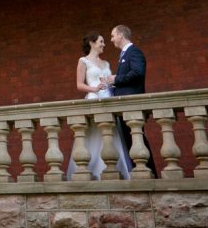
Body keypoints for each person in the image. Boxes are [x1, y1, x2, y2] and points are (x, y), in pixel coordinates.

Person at [65, 32, 131, 180]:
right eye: (101, 41)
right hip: (94, 98)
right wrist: (94, 89)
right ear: (92, 43)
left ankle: (115, 169)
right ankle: (94, 169)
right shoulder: (83, 61)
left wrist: (111, 82)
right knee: (94, 135)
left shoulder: (106, 63)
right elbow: (79, 84)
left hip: (108, 98)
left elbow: (109, 81)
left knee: (110, 133)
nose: (104, 44)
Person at [108, 24, 157, 178]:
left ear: (121, 35)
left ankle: (149, 173)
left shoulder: (134, 52)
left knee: (136, 138)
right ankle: (140, 171)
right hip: (124, 105)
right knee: (131, 139)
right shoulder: (124, 54)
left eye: (113, 36)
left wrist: (116, 79)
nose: (112, 39)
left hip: (131, 105)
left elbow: (137, 73)